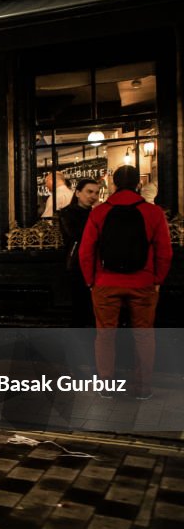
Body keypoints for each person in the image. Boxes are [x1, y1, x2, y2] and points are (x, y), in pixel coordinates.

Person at [79, 165, 172, 400]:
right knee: (143, 335)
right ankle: (142, 388)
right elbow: (165, 251)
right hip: (143, 283)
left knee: (105, 336)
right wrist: (158, 279)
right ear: (139, 185)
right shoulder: (153, 212)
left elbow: (86, 251)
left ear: (114, 184)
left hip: (105, 282)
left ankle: (107, 387)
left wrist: (91, 280)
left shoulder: (99, 212)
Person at [58, 178, 101, 327]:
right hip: (77, 264)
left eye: (96, 193)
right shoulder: (66, 213)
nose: (93, 196)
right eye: (89, 192)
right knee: (80, 306)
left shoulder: (96, 213)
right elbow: (77, 235)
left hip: (96, 264)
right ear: (77, 193)